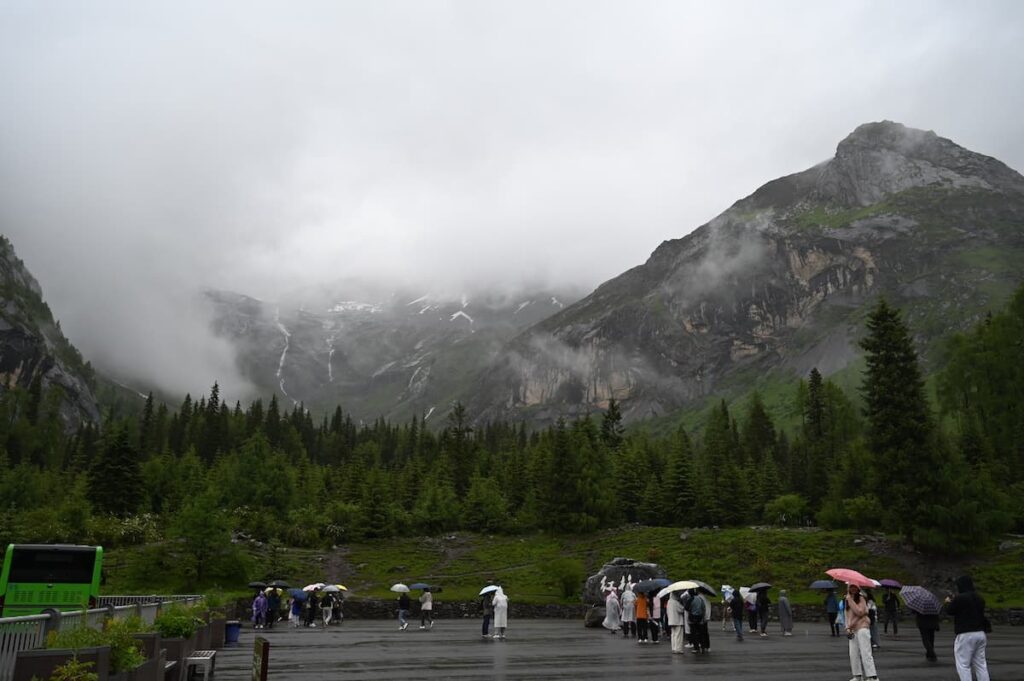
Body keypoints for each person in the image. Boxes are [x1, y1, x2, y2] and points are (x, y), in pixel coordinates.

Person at [945, 575, 990, 681]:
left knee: (963, 665)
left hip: (965, 634)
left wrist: (948, 602)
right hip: (980, 633)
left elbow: (950, 611)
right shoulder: (980, 598)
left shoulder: (960, 598)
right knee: (981, 664)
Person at [844, 583, 879, 681]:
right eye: (851, 586)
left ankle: (872, 676)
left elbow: (860, 612)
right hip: (852, 629)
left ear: (858, 588)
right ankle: (857, 675)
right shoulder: (846, 600)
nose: (853, 588)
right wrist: (847, 628)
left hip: (862, 627)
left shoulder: (861, 598)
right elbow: (846, 615)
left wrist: (850, 600)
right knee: (853, 653)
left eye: (855, 586)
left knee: (865, 652)